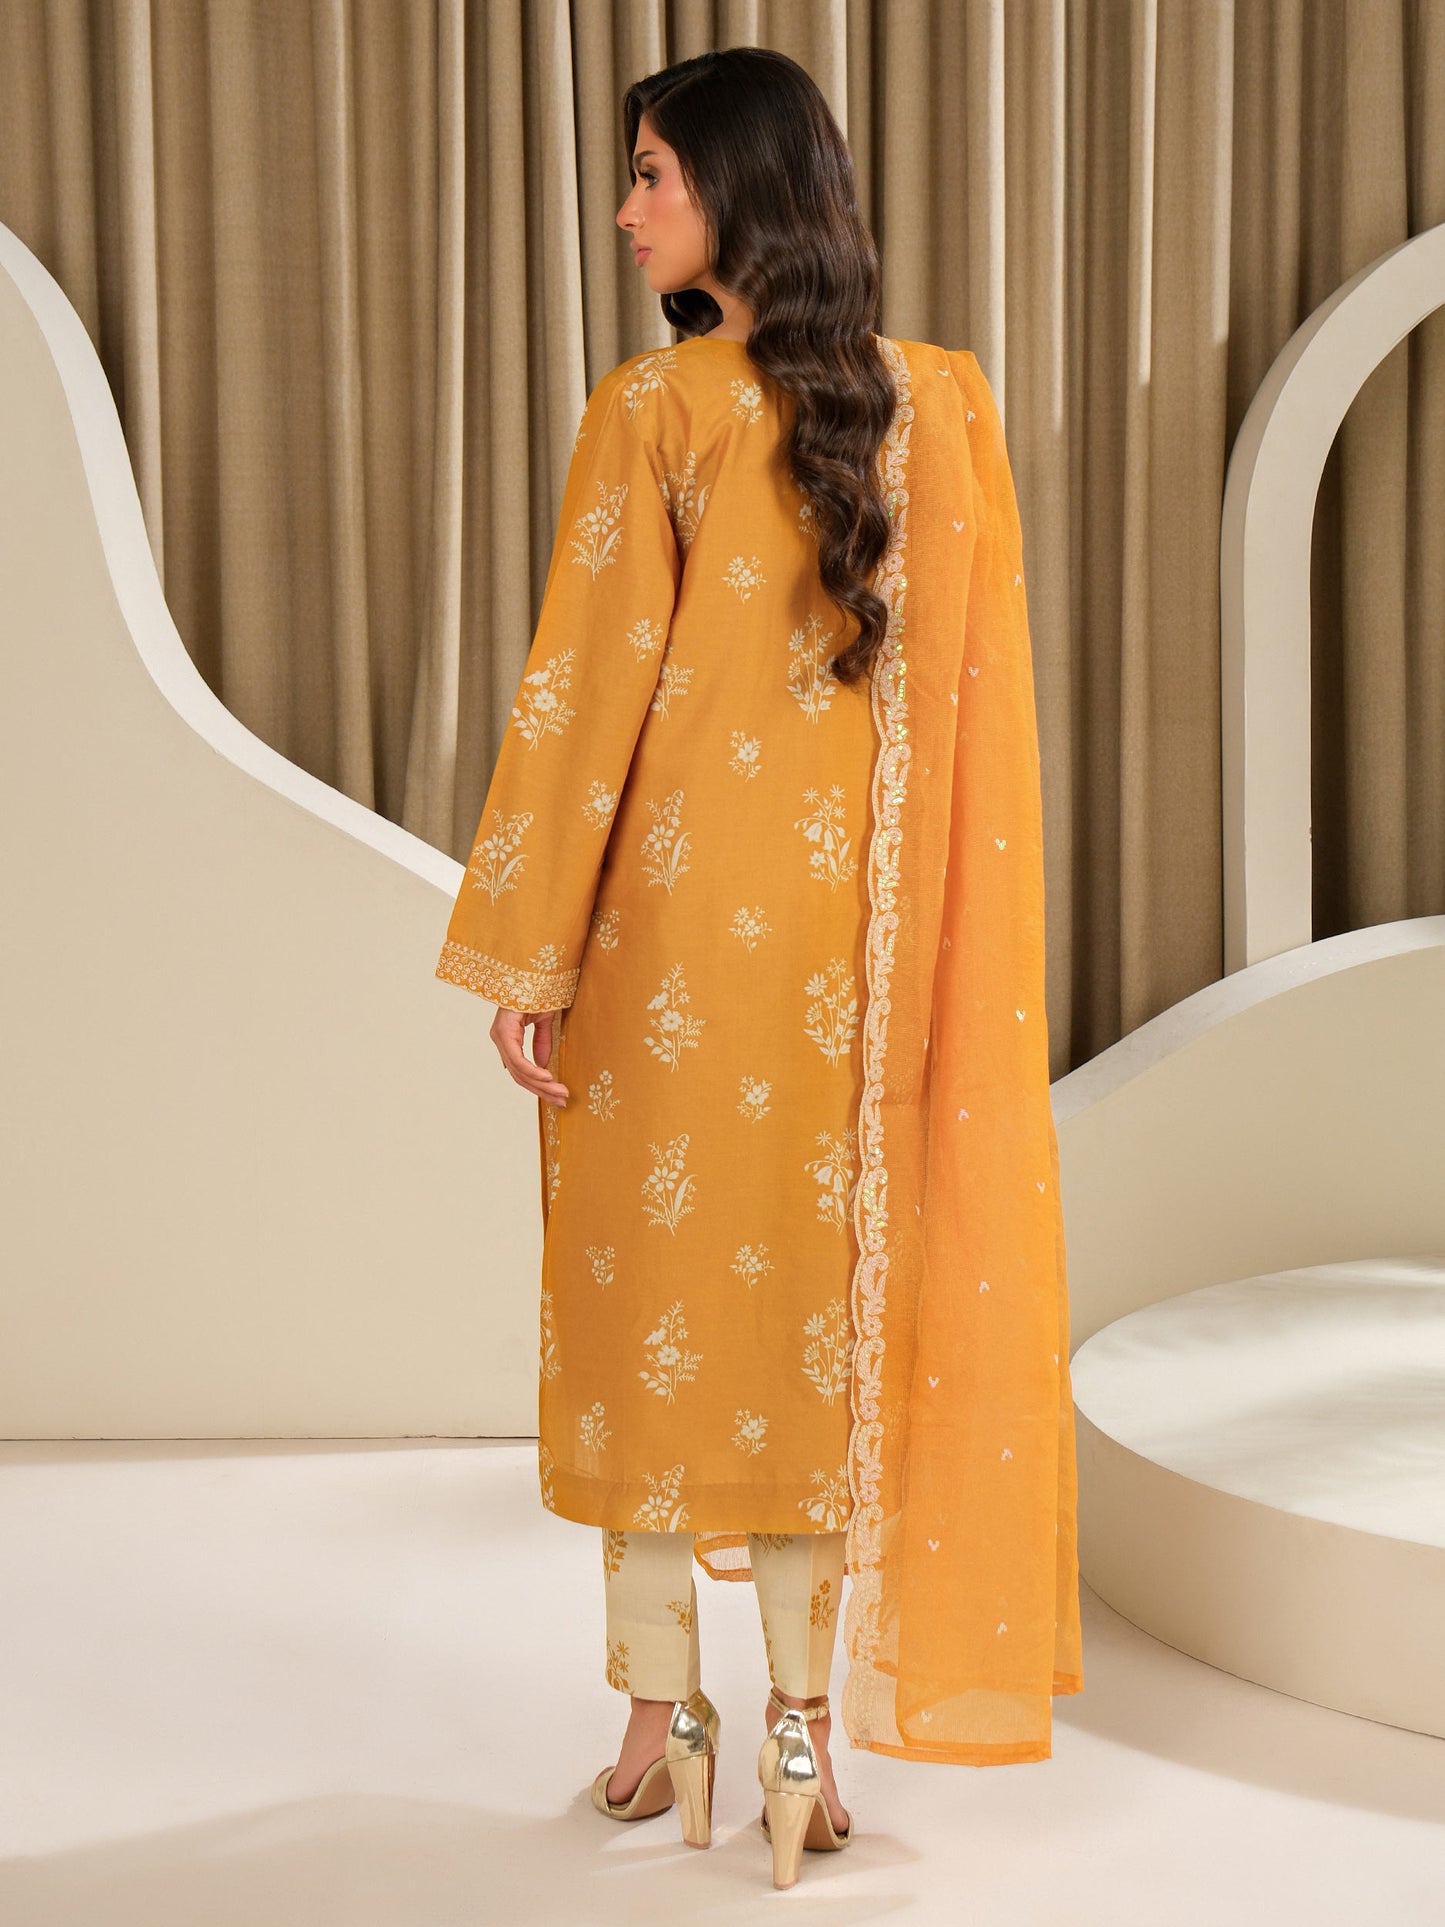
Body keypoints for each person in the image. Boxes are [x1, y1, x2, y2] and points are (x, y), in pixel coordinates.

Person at [435, 47, 1082, 1890]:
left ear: (737, 185)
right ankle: (805, 1738)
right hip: (854, 967)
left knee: (648, 1318)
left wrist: (527, 952)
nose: (624, 210)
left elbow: (583, 701)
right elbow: (970, 716)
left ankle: (664, 1727)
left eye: (651, 173)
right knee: (817, 1326)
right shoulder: (938, 405)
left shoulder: (649, 409)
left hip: (660, 949)